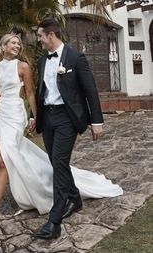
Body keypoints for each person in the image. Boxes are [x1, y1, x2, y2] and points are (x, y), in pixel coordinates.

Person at [0, 32, 123, 234]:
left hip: (15, 114)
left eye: (18, 43)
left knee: (3, 161)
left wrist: (34, 117)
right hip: (2, 114)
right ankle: (48, 191)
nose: (17, 46)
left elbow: (31, 93)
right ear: (2, 46)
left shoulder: (23, 66)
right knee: (5, 158)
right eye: (12, 43)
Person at [33, 18, 110, 239]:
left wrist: (97, 121)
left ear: (51, 35)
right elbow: (41, 92)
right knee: (57, 162)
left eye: (40, 36)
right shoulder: (41, 61)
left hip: (68, 118)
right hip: (47, 118)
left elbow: (90, 91)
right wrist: (33, 116)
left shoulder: (76, 58)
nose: (38, 40)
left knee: (58, 162)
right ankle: (74, 198)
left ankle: (54, 222)